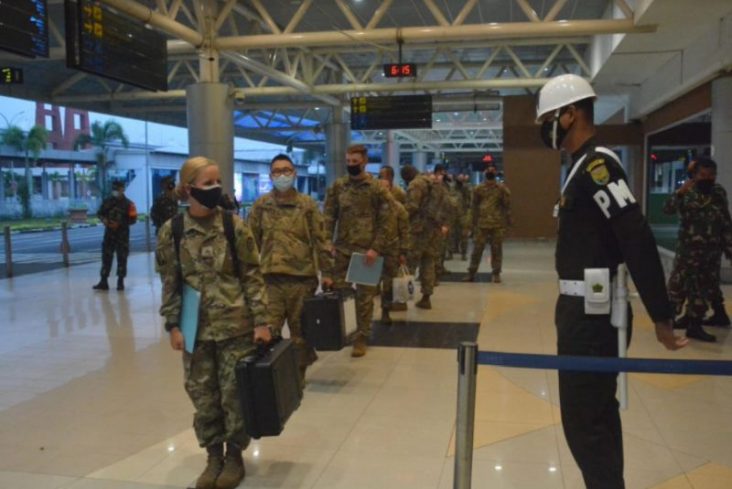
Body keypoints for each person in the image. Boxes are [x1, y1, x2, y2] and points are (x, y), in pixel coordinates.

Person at [536, 74, 687, 489]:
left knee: (586, 423)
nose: (543, 127)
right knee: (594, 418)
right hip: (581, 310)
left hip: (592, 316)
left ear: (570, 115)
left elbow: (635, 236)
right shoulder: (580, 166)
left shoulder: (598, 165)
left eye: (548, 118)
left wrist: (661, 314)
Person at [155, 156, 271, 489]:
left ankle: (234, 456)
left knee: (234, 395)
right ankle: (213, 456)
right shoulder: (173, 231)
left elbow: (252, 275)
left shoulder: (234, 226)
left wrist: (261, 321)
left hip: (236, 326)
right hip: (195, 330)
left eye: (217, 181)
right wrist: (172, 326)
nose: (215, 188)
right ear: (189, 188)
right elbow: (170, 282)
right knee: (203, 395)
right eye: (207, 184)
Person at [248, 154, 334, 380]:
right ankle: (272, 375)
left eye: (286, 170)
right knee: (269, 330)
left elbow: (321, 239)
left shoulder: (307, 205)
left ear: (294, 173)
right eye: (277, 171)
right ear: (270, 176)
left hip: (301, 279)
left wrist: (327, 273)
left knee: (300, 333)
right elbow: (249, 244)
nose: (282, 175)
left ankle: (299, 374)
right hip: (270, 280)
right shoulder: (261, 206)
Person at [323, 144, 396, 357]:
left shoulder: (376, 189)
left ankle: (362, 337)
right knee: (342, 293)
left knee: (365, 297)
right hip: (343, 249)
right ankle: (346, 331)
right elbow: (328, 216)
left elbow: (387, 221)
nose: (351, 166)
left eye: (355, 162)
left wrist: (376, 248)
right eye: (348, 162)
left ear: (364, 162)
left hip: (367, 252)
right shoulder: (338, 187)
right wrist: (327, 241)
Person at [663, 157, 732, 342]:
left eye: (711, 175)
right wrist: (679, 193)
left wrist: (729, 246)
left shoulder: (719, 193)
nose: (707, 179)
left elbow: (725, 221)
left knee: (702, 290)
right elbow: (667, 209)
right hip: (688, 252)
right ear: (695, 175)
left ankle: (694, 324)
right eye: (703, 175)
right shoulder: (687, 191)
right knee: (677, 287)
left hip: (711, 253)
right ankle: (667, 324)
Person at [400, 164, 447, 309]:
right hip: (434, 229)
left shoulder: (416, 184)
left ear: (407, 176)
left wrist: (400, 219)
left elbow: (412, 207)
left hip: (418, 230)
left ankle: (404, 299)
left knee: (409, 264)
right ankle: (426, 297)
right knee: (428, 262)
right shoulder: (433, 182)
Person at [464, 164, 511, 283]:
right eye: (489, 171)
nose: (490, 172)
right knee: (477, 250)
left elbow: (507, 205)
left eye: (492, 170)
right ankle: (471, 272)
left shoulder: (501, 189)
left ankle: (496, 273)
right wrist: (470, 224)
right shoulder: (478, 189)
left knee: (496, 250)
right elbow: (473, 207)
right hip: (482, 224)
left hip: (496, 224)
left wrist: (508, 222)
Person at [377, 165, 410, 322]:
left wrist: (403, 252)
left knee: (388, 283)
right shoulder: (371, 208)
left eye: (386, 188)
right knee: (368, 284)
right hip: (372, 251)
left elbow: (404, 231)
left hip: (392, 249)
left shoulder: (398, 208)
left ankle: (386, 310)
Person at [93, 180, 137, 291]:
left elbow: (133, 219)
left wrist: (120, 224)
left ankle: (120, 281)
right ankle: (103, 281)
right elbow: (100, 213)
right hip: (109, 235)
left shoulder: (129, 204)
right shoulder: (107, 201)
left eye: (118, 189)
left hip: (122, 236)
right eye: (114, 189)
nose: (116, 191)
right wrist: (105, 221)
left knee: (122, 258)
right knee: (106, 257)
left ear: (123, 189)